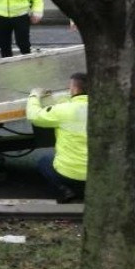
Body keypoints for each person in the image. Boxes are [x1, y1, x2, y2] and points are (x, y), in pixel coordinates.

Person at [26, 72, 88, 204]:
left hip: (69, 174)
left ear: (75, 89)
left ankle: (66, 190)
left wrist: (34, 95)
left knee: (44, 161)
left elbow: (34, 116)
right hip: (99, 174)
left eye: (70, 87)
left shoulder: (63, 111)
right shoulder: (104, 109)